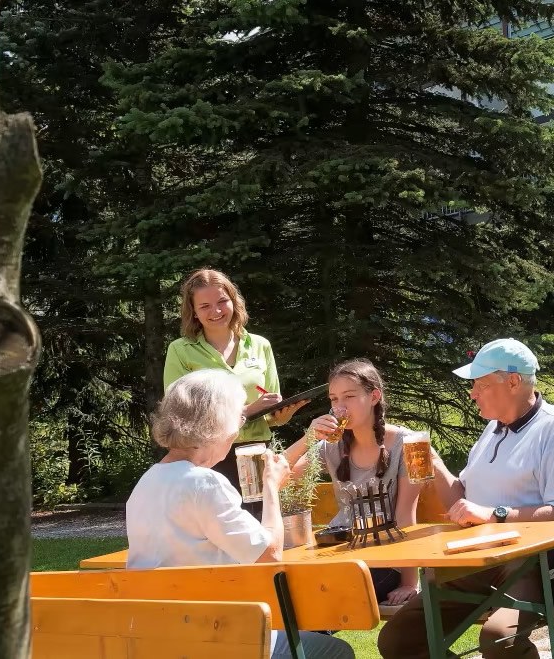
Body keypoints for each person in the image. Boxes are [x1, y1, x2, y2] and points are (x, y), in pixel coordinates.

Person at [377, 339, 554, 659]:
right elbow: (461, 501)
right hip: (474, 562)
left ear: (513, 381)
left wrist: (496, 514)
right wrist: (433, 462)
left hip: (533, 565)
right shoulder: (492, 430)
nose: (472, 393)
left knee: (499, 639)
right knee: (398, 641)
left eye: (479, 384)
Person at [127, 370, 354, 659]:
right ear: (215, 426)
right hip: (217, 638)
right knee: (335, 652)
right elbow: (270, 556)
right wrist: (270, 486)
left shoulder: (146, 482)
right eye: (238, 420)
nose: (236, 431)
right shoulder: (204, 483)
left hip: (159, 639)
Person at [163, 269, 307, 508]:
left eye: (222, 301)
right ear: (194, 312)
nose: (216, 311)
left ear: (234, 301)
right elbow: (179, 417)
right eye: (205, 306)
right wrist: (247, 410)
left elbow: (271, 415)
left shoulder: (261, 346)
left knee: (263, 525)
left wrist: (282, 415)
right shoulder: (180, 350)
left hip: (258, 452)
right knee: (219, 531)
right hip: (209, 456)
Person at [283, 360, 421, 607]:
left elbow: (406, 516)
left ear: (374, 396)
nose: (339, 407)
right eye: (334, 399)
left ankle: (300, 645)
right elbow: (279, 476)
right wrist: (308, 439)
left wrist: (410, 582)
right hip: (338, 553)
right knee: (291, 597)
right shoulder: (332, 446)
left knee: (319, 605)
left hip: (385, 561)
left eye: (348, 397)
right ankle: (296, 645)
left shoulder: (409, 443)